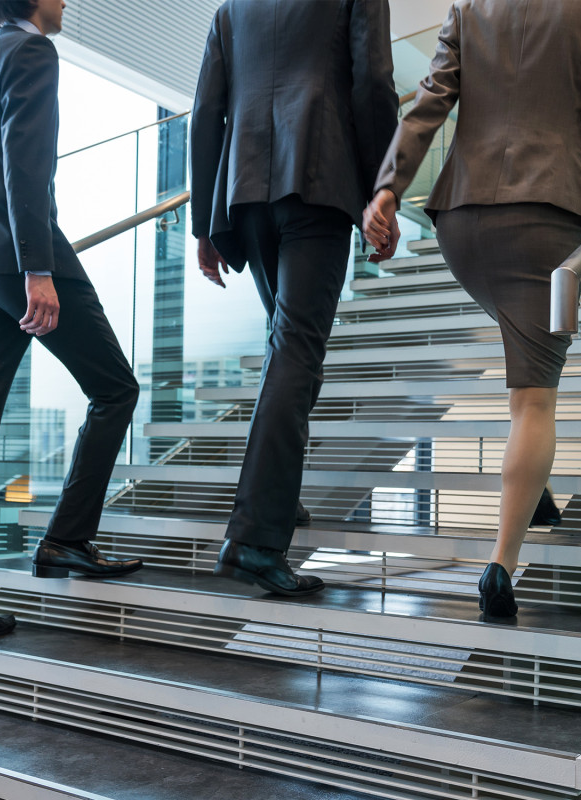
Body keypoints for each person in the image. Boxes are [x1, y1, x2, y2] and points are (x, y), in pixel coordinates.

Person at [363, 0, 581, 617]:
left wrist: (388, 187)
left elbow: (430, 101)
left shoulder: (469, 8)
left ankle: (530, 490)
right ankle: (500, 566)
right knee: (534, 398)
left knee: (521, 351)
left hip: (461, 217)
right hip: (547, 212)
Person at [0, 0, 142, 645]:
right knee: (115, 389)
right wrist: (37, 269)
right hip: (22, 259)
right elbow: (27, 164)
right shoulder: (31, 52)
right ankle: (66, 538)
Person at [190, 0, 398, 597]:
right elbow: (375, 85)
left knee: (288, 350)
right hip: (317, 180)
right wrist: (383, 191)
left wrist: (206, 222)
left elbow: (205, 113)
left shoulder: (233, 8)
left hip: (246, 191)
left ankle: (276, 498)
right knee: (296, 354)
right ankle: (254, 540)